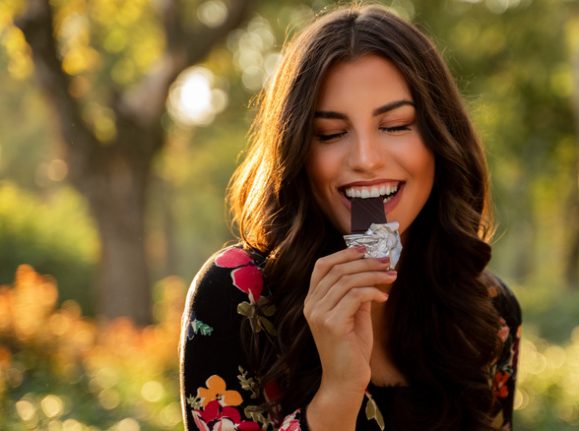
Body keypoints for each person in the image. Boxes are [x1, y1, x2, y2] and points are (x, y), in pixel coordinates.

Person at [179, 4, 522, 431]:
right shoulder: (235, 296)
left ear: (440, 138)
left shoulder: (489, 312)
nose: (365, 159)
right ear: (299, 153)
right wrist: (339, 391)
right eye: (330, 134)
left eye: (396, 125)